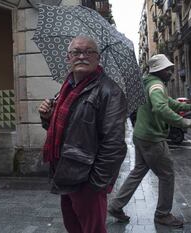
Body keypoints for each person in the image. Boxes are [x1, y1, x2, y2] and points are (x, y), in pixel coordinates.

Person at [108, 54, 191, 227]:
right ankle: (163, 214)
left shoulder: (148, 82)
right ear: (159, 71)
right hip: (152, 138)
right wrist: (186, 122)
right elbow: (161, 107)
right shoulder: (156, 85)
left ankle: (116, 205)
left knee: (138, 171)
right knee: (167, 174)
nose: (171, 72)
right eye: (168, 70)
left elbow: (168, 102)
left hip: (141, 135)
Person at [38, 35, 128, 233]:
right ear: (68, 58)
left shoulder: (109, 91)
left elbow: (114, 145)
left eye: (89, 52)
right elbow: (67, 132)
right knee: (74, 228)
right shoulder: (66, 89)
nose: (82, 56)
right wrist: (47, 116)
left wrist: (95, 185)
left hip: (88, 181)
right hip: (65, 172)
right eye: (76, 52)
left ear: (98, 58)